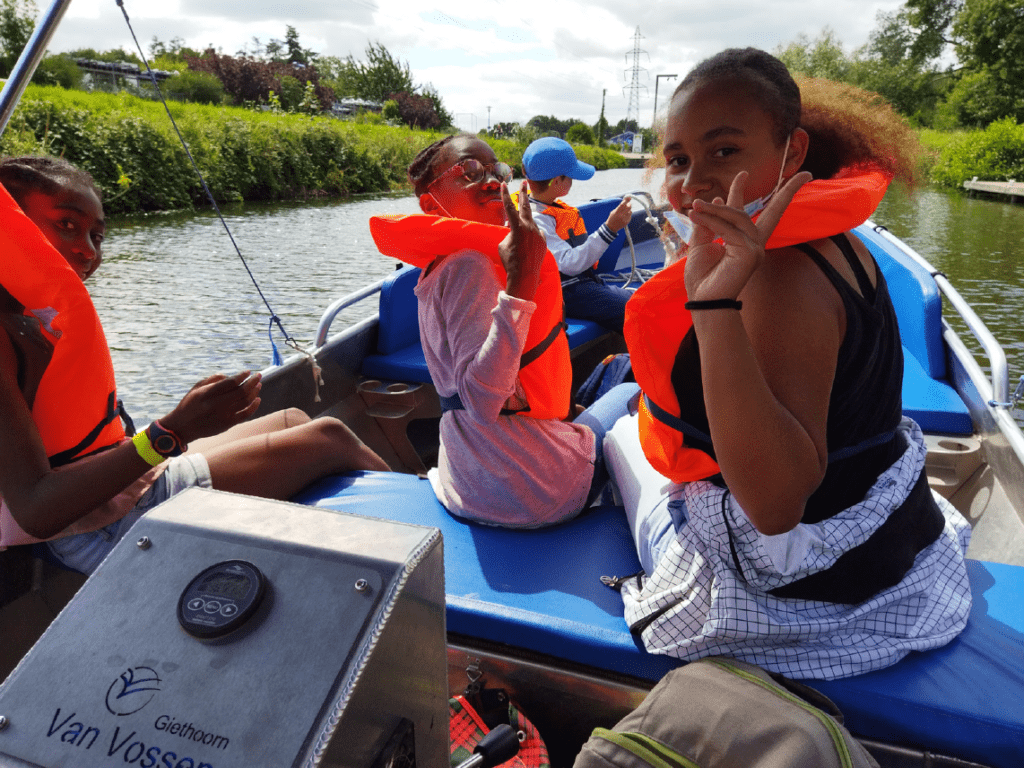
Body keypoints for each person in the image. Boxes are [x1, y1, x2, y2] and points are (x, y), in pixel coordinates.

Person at [607, 49, 972, 680]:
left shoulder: (777, 275)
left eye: (724, 152)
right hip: (881, 530)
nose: (693, 182)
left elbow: (774, 508)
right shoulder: (837, 243)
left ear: (793, 153)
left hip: (808, 583)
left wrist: (712, 304)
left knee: (616, 429)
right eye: (680, 160)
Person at [0, 155, 389, 574]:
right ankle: (431, 573)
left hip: (116, 493)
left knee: (293, 418)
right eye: (67, 225)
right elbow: (36, 510)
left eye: (97, 236)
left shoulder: (33, 316)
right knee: (330, 437)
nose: (88, 250)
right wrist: (172, 432)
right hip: (95, 529)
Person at [368, 134, 633, 528]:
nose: (492, 181)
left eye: (497, 170)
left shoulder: (445, 265)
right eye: (469, 172)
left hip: (479, 483)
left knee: (608, 373)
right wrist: (523, 281)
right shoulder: (470, 266)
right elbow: (480, 400)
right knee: (631, 385)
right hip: (531, 492)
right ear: (430, 204)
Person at [516, 137, 634, 334]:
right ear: (556, 181)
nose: (572, 181)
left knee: (641, 297)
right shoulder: (536, 220)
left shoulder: (546, 207)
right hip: (567, 292)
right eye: (569, 176)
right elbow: (570, 264)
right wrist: (610, 228)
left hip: (580, 284)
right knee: (635, 310)